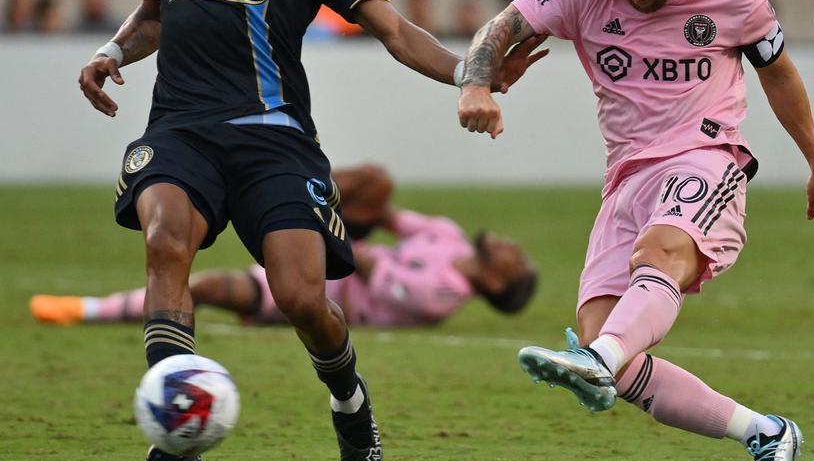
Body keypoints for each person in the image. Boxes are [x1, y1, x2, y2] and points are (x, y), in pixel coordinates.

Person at [76, 0, 544, 461]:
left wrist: (470, 76)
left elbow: (393, 29)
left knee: (301, 298)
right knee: (164, 241)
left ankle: (350, 403)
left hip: (275, 141)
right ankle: (178, 428)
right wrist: (111, 52)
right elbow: (154, 13)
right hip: (182, 131)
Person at [456, 0, 814, 461]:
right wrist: (476, 83)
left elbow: (779, 74)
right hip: (625, 179)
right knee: (611, 346)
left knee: (657, 261)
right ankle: (765, 433)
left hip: (706, 158)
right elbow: (502, 26)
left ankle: (599, 359)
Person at [31, 165, 538, 328]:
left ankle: (87, 309)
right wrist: (346, 195)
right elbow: (384, 217)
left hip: (327, 289)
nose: (514, 245)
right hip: (336, 249)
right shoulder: (446, 234)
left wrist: (314, 223)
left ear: (495, 282)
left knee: (205, 286)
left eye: (518, 260)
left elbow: (363, 265)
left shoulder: (442, 297)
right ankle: (289, 182)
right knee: (375, 179)